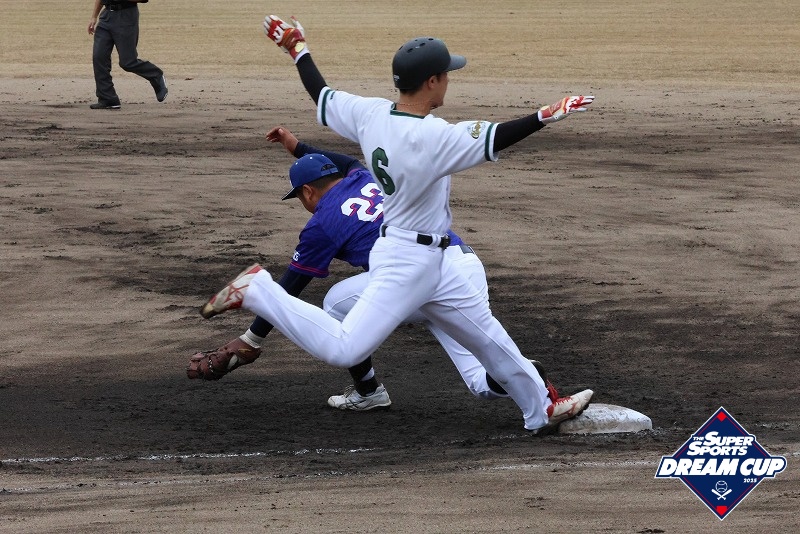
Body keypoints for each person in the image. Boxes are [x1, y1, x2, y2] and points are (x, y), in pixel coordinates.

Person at [200, 17, 595, 433]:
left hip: (435, 257)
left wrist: (298, 49)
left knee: (487, 336)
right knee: (345, 347)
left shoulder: (371, 114)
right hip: (408, 260)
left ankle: (541, 408)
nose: (449, 81)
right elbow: (495, 136)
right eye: (446, 75)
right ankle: (259, 291)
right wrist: (543, 116)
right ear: (431, 81)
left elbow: (322, 94)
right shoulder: (435, 136)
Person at [189, 125, 558, 411]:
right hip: (462, 269)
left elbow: (289, 287)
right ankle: (521, 374)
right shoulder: (363, 176)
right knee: (479, 381)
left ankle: (368, 392)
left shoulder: (321, 224)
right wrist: (296, 146)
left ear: (307, 192)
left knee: (336, 303)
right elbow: (338, 158)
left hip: (412, 283)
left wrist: (252, 338)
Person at [87, 0, 167, 109]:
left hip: (126, 16)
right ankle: (107, 98)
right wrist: (93, 17)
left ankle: (156, 75)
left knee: (128, 62)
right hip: (106, 16)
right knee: (99, 57)